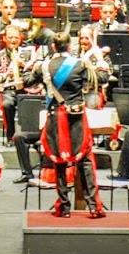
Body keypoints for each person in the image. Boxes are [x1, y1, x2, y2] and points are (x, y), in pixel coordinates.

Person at [39, 35, 106, 218]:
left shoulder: (44, 66)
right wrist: (100, 60)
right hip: (75, 118)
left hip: (55, 118)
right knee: (84, 159)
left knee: (59, 160)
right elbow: (103, 77)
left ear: (53, 46)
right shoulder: (80, 65)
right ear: (69, 45)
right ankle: (93, 206)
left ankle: (64, 207)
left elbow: (28, 80)